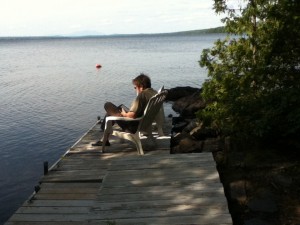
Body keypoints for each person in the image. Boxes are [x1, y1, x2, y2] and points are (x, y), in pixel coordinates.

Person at [92, 73, 157, 146]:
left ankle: (104, 133)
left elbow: (132, 115)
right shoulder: (153, 92)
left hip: (132, 126)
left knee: (107, 105)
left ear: (141, 87)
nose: (135, 89)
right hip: (144, 122)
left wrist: (124, 114)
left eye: (135, 87)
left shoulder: (142, 96)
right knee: (119, 108)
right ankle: (104, 138)